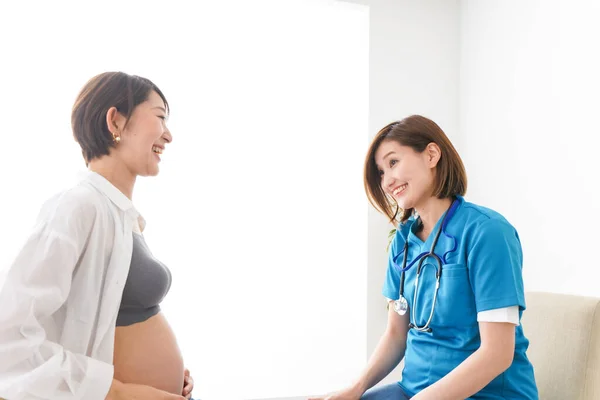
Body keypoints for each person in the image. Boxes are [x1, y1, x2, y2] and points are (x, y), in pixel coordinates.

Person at [310, 115, 538, 399]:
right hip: (413, 391)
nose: (387, 180)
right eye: (380, 172)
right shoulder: (403, 243)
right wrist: (356, 389)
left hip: (487, 394)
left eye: (393, 163)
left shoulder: (488, 232)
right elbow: (396, 335)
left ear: (431, 154)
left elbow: (497, 354)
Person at [0, 72, 195, 400]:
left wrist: (173, 377)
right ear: (115, 121)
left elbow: (104, 323)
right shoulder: (79, 205)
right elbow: (11, 337)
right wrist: (115, 392)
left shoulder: (121, 218)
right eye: (160, 116)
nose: (169, 134)